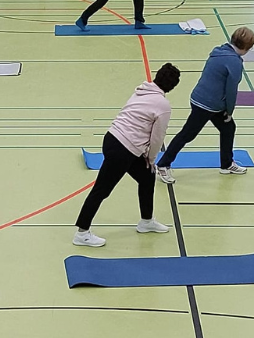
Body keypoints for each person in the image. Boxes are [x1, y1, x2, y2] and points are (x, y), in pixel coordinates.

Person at [73, 63, 180, 247]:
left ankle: (146, 221)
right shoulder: (163, 105)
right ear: (172, 86)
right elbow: (157, 138)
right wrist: (151, 159)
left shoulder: (142, 90)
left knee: (147, 177)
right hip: (122, 149)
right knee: (102, 189)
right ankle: (82, 233)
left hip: (112, 139)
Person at [157, 26, 254, 182]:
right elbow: (231, 90)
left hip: (205, 100)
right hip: (206, 104)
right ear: (246, 48)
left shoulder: (219, 51)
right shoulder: (234, 62)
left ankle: (226, 164)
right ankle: (163, 164)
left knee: (228, 128)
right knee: (187, 134)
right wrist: (229, 111)